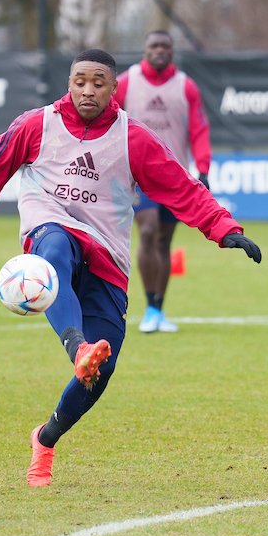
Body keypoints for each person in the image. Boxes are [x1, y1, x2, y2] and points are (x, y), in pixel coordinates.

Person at [0, 48, 261, 487]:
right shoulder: (36, 125)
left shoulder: (134, 138)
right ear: (69, 83)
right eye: (80, 81)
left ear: (114, 88)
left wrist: (225, 229)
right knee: (53, 249)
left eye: (98, 82)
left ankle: (46, 438)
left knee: (100, 374)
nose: (88, 89)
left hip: (108, 254)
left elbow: (182, 188)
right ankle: (75, 346)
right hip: (51, 229)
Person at [113, 30, 212, 334]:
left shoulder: (186, 87)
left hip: (175, 175)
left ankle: (157, 308)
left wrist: (203, 169)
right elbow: (108, 119)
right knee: (148, 230)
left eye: (165, 47)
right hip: (138, 173)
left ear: (172, 51)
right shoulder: (127, 82)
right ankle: (147, 305)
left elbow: (198, 129)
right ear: (144, 50)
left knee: (164, 242)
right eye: (154, 46)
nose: (159, 51)